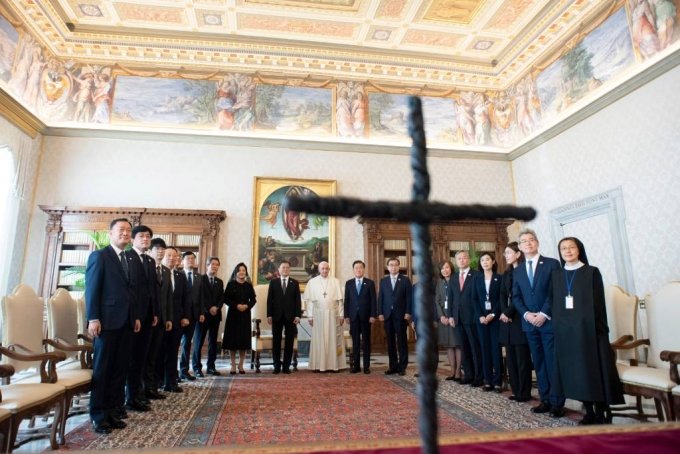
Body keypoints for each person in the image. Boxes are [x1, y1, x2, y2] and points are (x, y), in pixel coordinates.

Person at [551, 237, 624, 425]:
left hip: (591, 333)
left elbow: (598, 305)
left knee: (594, 371)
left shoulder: (591, 272)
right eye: (563, 248)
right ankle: (588, 411)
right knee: (578, 373)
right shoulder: (557, 275)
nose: (567, 251)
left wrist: (591, 327)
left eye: (571, 247)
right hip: (568, 334)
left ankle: (601, 412)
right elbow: (556, 304)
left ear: (579, 250)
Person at [85, 218, 140, 434]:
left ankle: (113, 411)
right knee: (103, 369)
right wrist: (93, 317)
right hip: (106, 322)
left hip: (126, 322)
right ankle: (98, 415)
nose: (125, 234)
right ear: (110, 233)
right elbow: (92, 289)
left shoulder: (128, 258)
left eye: (128, 231)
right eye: (121, 230)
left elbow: (131, 292)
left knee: (119, 369)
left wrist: (134, 316)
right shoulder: (100, 256)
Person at [512, 228, 565, 417]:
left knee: (552, 362)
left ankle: (557, 402)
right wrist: (526, 314)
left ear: (537, 242)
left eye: (531, 240)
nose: (528, 243)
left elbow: (555, 292)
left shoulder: (552, 264)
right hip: (529, 324)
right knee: (539, 362)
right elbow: (516, 297)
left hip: (548, 322)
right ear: (519, 247)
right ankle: (545, 399)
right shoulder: (517, 270)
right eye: (524, 241)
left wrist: (543, 313)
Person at [125, 225, 158, 412]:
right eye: (141, 236)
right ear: (133, 239)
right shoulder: (127, 257)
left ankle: (138, 394)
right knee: (132, 359)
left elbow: (152, 290)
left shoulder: (149, 260)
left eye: (148, 237)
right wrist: (136, 315)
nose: (145, 239)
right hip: (133, 317)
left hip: (147, 317)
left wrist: (154, 313)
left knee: (142, 358)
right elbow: (131, 290)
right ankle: (130, 398)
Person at [499, 242, 532, 403]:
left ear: (518, 254)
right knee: (511, 357)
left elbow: (521, 295)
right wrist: (504, 312)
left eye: (508, 252)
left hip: (520, 318)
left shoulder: (525, 271)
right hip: (507, 320)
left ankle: (525, 392)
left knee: (522, 358)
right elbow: (502, 295)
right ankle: (516, 390)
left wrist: (509, 311)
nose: (506, 255)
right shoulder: (506, 274)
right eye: (505, 253)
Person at [448, 250, 482, 386]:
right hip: (458, 318)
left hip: (472, 317)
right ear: (456, 261)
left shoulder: (477, 275)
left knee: (475, 348)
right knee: (464, 347)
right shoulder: (454, 277)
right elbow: (450, 298)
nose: (462, 260)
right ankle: (468, 375)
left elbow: (479, 296)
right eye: (459, 259)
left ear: (469, 260)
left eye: (464, 258)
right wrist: (451, 315)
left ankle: (479, 377)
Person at [304, 261, 347, 372]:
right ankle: (318, 365)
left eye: (326, 268)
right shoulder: (312, 282)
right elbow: (309, 301)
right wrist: (310, 316)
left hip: (333, 315)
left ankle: (334, 365)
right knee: (320, 339)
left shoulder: (335, 281)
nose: (324, 270)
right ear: (318, 269)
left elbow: (340, 301)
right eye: (322, 268)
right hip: (318, 315)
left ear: (329, 269)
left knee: (333, 339)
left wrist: (341, 315)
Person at [143, 238, 173, 400]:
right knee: (144, 355)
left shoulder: (166, 271)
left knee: (155, 355)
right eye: (157, 249)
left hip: (162, 320)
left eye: (163, 249)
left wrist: (168, 318)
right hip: (148, 319)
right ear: (150, 250)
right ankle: (141, 389)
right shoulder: (146, 267)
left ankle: (152, 388)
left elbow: (167, 297)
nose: (160, 251)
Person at [160, 247, 189, 393]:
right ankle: (156, 382)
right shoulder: (158, 273)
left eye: (175, 256)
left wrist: (185, 316)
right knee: (158, 353)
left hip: (177, 320)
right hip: (160, 320)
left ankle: (170, 382)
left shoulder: (180, 275)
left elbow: (185, 298)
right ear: (162, 256)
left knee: (172, 352)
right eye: (168, 255)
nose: (172, 258)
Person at [472, 252, 503, 392]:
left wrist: (493, 314)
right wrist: (480, 316)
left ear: (493, 261)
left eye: (488, 259)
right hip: (481, 320)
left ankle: (497, 382)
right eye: (482, 260)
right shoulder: (476, 279)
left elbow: (501, 300)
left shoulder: (499, 278)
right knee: (484, 350)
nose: (485, 262)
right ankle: (488, 381)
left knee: (496, 350)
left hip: (495, 320)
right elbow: (474, 300)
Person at [378, 257, 412, 376]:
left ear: (399, 266)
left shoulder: (405, 280)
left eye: (395, 265)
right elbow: (381, 298)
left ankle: (402, 366)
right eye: (391, 265)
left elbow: (409, 298)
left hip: (401, 315)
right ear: (387, 267)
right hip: (387, 316)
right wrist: (380, 313)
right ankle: (393, 366)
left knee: (402, 341)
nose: (393, 267)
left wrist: (408, 312)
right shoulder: (384, 281)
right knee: (390, 342)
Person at [267, 260, 302, 374]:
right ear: (279, 270)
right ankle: (276, 365)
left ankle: (286, 366)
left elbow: (298, 301)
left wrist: (298, 315)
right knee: (276, 341)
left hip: (290, 316)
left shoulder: (294, 283)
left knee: (289, 341)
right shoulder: (273, 282)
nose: (285, 269)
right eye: (283, 267)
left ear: (290, 270)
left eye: (287, 268)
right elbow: (269, 300)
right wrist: (269, 315)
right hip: (276, 316)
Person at [343, 260, 377, 374]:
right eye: (356, 268)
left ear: (364, 269)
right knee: (356, 342)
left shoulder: (370, 283)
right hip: (353, 317)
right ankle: (356, 366)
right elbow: (346, 301)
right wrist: (346, 315)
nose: (358, 270)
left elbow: (373, 300)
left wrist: (373, 315)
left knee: (366, 342)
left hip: (367, 317)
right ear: (353, 270)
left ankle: (366, 366)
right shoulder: (349, 283)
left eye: (361, 268)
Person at [222, 262, 256, 374]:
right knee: (232, 341)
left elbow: (253, 300)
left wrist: (247, 306)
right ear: (236, 272)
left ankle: (241, 365)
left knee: (243, 341)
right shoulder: (231, 284)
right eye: (239, 270)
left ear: (246, 272)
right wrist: (236, 305)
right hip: (233, 315)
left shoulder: (248, 285)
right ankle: (233, 365)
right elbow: (225, 299)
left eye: (243, 270)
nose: (241, 272)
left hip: (245, 315)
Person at [194, 257, 224, 376]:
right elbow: (199, 297)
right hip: (203, 315)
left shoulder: (219, 281)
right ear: (207, 265)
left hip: (215, 315)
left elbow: (222, 297)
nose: (214, 266)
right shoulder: (200, 279)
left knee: (213, 343)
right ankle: (197, 368)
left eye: (217, 264)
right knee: (198, 342)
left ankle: (211, 367)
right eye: (212, 264)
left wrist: (216, 307)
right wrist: (208, 308)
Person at [435, 260, 462, 381]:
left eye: (447, 268)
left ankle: (458, 371)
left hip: (455, 317)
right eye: (442, 268)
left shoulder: (457, 280)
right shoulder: (439, 283)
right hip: (444, 318)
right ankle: (452, 370)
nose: (445, 270)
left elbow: (459, 301)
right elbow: (437, 301)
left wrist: (452, 316)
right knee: (449, 346)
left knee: (457, 345)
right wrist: (441, 316)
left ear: (451, 268)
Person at [180, 251, 203, 380]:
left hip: (193, 315)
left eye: (192, 259)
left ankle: (184, 371)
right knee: (174, 345)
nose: (190, 261)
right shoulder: (178, 275)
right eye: (188, 258)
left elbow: (201, 296)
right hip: (179, 316)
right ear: (182, 261)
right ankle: (172, 372)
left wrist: (201, 313)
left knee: (187, 343)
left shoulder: (199, 277)